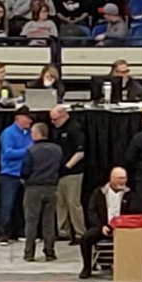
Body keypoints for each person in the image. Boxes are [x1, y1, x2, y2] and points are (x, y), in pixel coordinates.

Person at [79, 166, 133, 278]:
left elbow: (134, 212)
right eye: (119, 178)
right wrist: (101, 226)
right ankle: (87, 268)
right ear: (111, 178)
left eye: (124, 178)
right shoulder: (99, 193)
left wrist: (122, 226)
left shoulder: (130, 194)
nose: (122, 181)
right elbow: (91, 211)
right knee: (86, 238)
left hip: (123, 227)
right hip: (103, 226)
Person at [20, 122, 61, 262]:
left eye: (32, 132)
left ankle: (29, 253)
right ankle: (50, 252)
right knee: (48, 222)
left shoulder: (31, 151)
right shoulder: (57, 150)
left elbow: (25, 171)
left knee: (31, 222)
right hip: (52, 188)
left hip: (34, 189)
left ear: (37, 134)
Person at [49, 104, 85, 244]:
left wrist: (67, 167)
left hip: (73, 172)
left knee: (73, 202)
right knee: (60, 203)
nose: (53, 122)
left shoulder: (74, 128)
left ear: (64, 115)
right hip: (58, 172)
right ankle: (63, 231)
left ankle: (79, 233)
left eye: (56, 119)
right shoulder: (56, 129)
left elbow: (80, 152)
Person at [0, 106, 33, 244]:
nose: (30, 121)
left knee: (24, 205)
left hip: (26, 174)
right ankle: (4, 234)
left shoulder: (30, 133)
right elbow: (8, 153)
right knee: (7, 205)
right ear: (19, 119)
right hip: (9, 174)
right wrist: (27, 151)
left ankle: (22, 231)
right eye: (27, 118)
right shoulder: (8, 133)